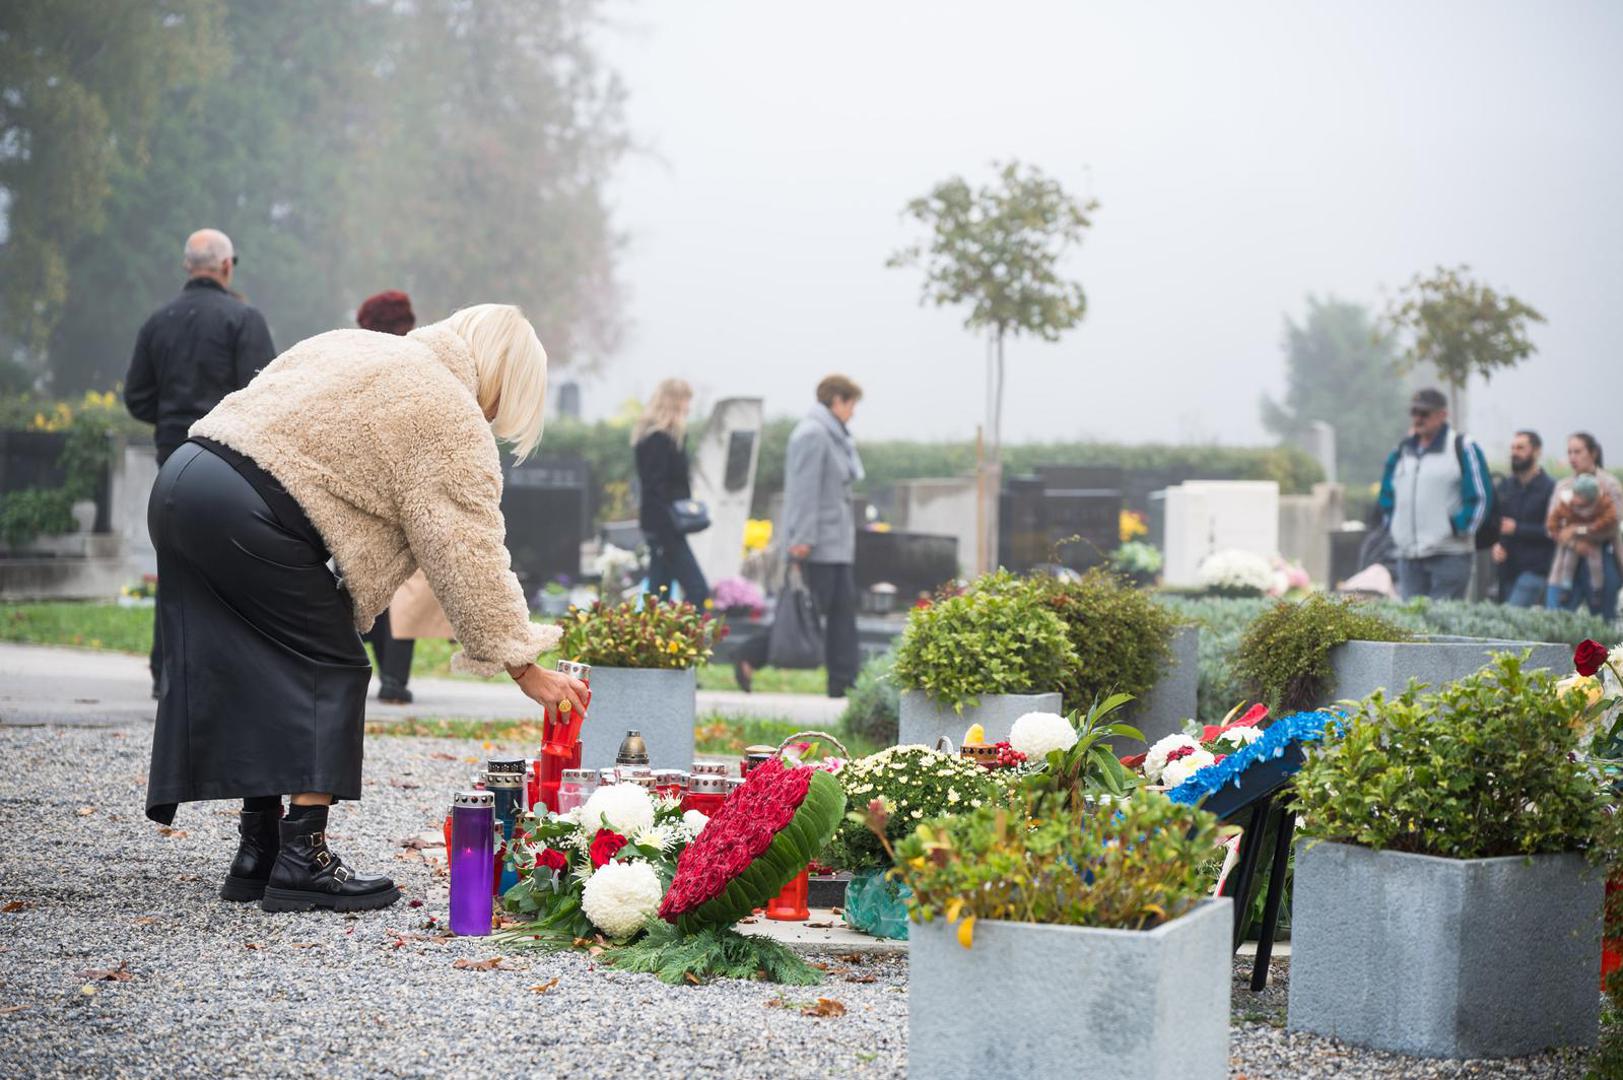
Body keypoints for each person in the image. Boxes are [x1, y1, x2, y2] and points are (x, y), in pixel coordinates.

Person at [148, 304, 587, 914]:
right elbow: (467, 550)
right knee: (332, 667)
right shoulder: (448, 411)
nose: (491, 416)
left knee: (264, 666)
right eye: (501, 402)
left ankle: (260, 851)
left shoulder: (361, 346)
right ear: (499, 378)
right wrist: (521, 663)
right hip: (244, 507)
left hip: (183, 479)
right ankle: (303, 859)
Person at [124, 229, 276, 697]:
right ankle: (221, 674)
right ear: (228, 266)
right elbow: (265, 393)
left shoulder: (157, 322)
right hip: (229, 460)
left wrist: (173, 423)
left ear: (188, 267)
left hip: (173, 456)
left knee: (174, 560)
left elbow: (136, 397)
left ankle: (164, 670)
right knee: (230, 564)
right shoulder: (245, 320)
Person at [734, 375, 864, 698]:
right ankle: (750, 654)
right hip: (816, 545)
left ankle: (843, 682)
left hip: (835, 545)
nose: (853, 412)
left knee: (839, 615)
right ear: (836, 400)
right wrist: (802, 540)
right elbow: (804, 493)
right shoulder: (813, 435)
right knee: (803, 615)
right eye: (851, 404)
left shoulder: (833, 436)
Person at [353, 290, 454, 704]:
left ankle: (383, 673)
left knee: (368, 580)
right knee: (406, 584)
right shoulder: (424, 365)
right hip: (411, 483)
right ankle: (395, 679)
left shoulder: (359, 365)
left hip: (367, 486)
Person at [1377, 387, 1492, 601]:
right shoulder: (1401, 450)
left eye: (1424, 413)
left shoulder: (1462, 447)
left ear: (1442, 415)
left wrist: (1459, 528)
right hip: (1408, 556)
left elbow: (1480, 497)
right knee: (1412, 628)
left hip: (1449, 555)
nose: (1418, 418)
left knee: (1441, 626)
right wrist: (1395, 528)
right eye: (1414, 413)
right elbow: (1386, 495)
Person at [633, 378, 709, 606]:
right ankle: (688, 641)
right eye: (686, 401)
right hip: (665, 528)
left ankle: (654, 642)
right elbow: (654, 491)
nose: (689, 407)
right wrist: (666, 538)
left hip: (664, 527)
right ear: (675, 402)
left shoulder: (662, 438)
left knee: (657, 599)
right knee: (697, 590)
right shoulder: (659, 440)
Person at [1547, 432, 1623, 617]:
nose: (1573, 457)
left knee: (1603, 624)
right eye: (1569, 452)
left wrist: (1578, 530)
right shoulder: (1563, 486)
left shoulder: (1609, 484)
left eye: (1577, 451)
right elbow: (1554, 528)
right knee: (1556, 618)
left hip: (1603, 556)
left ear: (1593, 453)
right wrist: (1576, 543)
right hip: (1565, 559)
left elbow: (1613, 524)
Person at [1491, 430, 1556, 607]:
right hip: (1507, 569)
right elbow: (1498, 523)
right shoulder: (1506, 486)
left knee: (1511, 615)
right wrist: (1496, 545)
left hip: (1535, 569)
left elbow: (1554, 531)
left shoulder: (1550, 488)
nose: (1514, 452)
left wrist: (1518, 529)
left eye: (1520, 448)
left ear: (1536, 451)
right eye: (1512, 448)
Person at [1545, 474, 1617, 613]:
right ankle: (1566, 587)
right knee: (1568, 564)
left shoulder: (1602, 502)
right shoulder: (1567, 502)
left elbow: (1611, 521)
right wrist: (1560, 532)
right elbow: (1553, 522)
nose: (1575, 499)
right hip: (1574, 542)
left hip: (1592, 540)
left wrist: (1583, 528)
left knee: (1596, 564)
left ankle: (1597, 589)